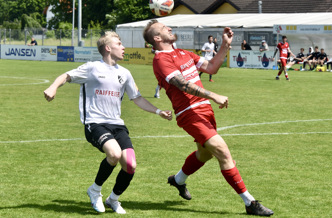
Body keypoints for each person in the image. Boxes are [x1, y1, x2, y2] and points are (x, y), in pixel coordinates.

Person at [143, 19, 274, 217]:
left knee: (205, 154)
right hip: (189, 113)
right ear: (157, 38)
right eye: (164, 28)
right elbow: (183, 85)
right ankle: (250, 202)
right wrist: (213, 95)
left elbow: (212, 67)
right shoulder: (161, 60)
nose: (169, 28)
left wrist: (225, 45)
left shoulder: (183, 53)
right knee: (223, 152)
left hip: (204, 110)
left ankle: (177, 180)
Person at [43, 31, 172, 214]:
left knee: (130, 165)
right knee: (114, 154)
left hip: (117, 124)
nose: (123, 47)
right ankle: (95, 190)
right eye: (119, 43)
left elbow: (137, 98)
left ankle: (113, 199)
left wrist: (158, 111)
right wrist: (53, 87)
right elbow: (66, 75)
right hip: (95, 123)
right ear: (108, 48)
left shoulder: (125, 73)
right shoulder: (92, 68)